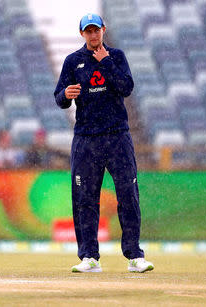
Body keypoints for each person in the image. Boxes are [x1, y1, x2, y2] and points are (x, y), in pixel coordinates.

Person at [54, 13, 154, 273]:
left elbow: (126, 87)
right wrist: (65, 95)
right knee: (84, 199)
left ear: (103, 30)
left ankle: (134, 256)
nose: (93, 35)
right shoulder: (73, 62)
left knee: (128, 196)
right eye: (88, 31)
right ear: (82, 35)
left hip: (117, 136)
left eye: (96, 30)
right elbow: (60, 97)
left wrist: (106, 63)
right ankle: (89, 257)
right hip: (86, 139)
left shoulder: (116, 56)